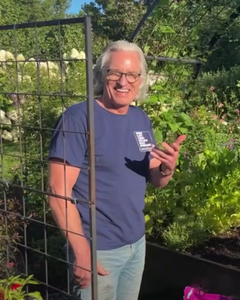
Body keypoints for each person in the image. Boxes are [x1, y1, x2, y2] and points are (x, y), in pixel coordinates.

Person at [47, 40, 186, 300]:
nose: (124, 82)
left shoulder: (139, 118)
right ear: (102, 75)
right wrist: (81, 250)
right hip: (98, 250)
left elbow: (156, 178)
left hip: (135, 245)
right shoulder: (78, 118)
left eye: (132, 74)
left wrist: (167, 169)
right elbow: (57, 191)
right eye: (115, 73)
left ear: (141, 79)